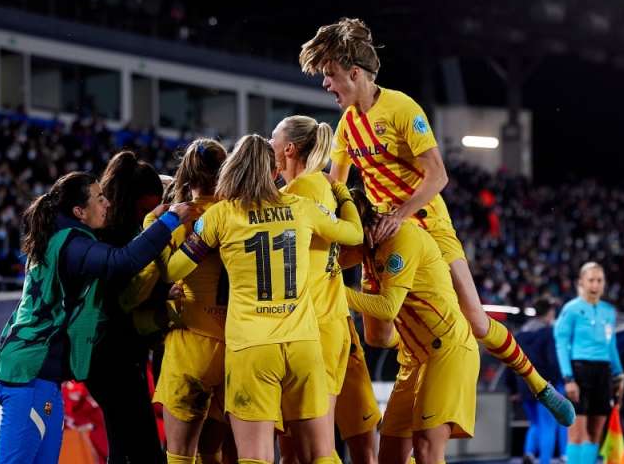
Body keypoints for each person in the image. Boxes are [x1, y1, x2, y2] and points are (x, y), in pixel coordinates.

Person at [299, 17, 574, 428]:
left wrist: (399, 214)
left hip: (426, 224)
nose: (326, 85)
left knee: (478, 321)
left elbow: (438, 176)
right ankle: (419, 342)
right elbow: (336, 187)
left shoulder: (402, 108)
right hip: (383, 232)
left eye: (330, 75)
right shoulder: (346, 125)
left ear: (354, 74)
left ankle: (537, 384)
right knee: (376, 335)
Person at [166, 134, 363, 464]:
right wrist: (343, 195)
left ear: (233, 170)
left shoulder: (221, 216)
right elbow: (354, 234)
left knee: (256, 458)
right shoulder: (302, 208)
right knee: (320, 454)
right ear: (274, 172)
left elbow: (173, 270)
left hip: (251, 349)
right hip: (303, 344)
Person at [0, 171, 196, 464]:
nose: (107, 204)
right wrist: (169, 220)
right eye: (99, 198)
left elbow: (112, 291)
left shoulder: (69, 239)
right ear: (79, 211)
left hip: (44, 375)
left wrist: (160, 291)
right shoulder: (71, 244)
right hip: (28, 372)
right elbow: (122, 262)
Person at [271, 115, 380, 464]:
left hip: (312, 329)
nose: (267, 145)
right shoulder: (323, 186)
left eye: (272, 138)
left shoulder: (297, 192)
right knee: (303, 446)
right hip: (333, 323)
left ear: (288, 148)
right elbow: (333, 253)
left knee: (312, 448)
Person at [343, 188, 479, 464]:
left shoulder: (401, 236)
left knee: (427, 450)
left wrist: (333, 290)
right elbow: (378, 338)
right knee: (390, 458)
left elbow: (387, 307)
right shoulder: (368, 251)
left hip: (446, 351)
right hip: (414, 360)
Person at [141, 139, 231, 464]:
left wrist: (151, 223)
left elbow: (163, 273)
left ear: (187, 174)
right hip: (232, 346)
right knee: (214, 455)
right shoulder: (236, 215)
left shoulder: (177, 219)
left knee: (180, 458)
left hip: (188, 342)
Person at [84, 151, 173, 462]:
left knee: (124, 444)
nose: (146, 217)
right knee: (142, 449)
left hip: (112, 355)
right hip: (112, 355)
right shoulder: (115, 240)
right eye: (144, 210)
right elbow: (123, 301)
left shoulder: (108, 230)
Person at [553, 262, 624, 464]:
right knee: (576, 434)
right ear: (581, 282)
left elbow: (612, 347)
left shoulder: (609, 311)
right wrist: (568, 378)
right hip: (579, 371)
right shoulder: (571, 309)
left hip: (603, 373)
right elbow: (561, 344)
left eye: (599, 280)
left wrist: (619, 375)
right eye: (591, 280)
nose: (595, 284)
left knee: (595, 433)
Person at [511, 298, 565, 464]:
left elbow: (511, 361)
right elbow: (552, 360)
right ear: (549, 314)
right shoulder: (549, 332)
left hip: (524, 385)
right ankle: (545, 460)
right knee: (548, 425)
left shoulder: (519, 334)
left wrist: (515, 388)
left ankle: (528, 453)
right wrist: (559, 380)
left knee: (535, 423)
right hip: (544, 384)